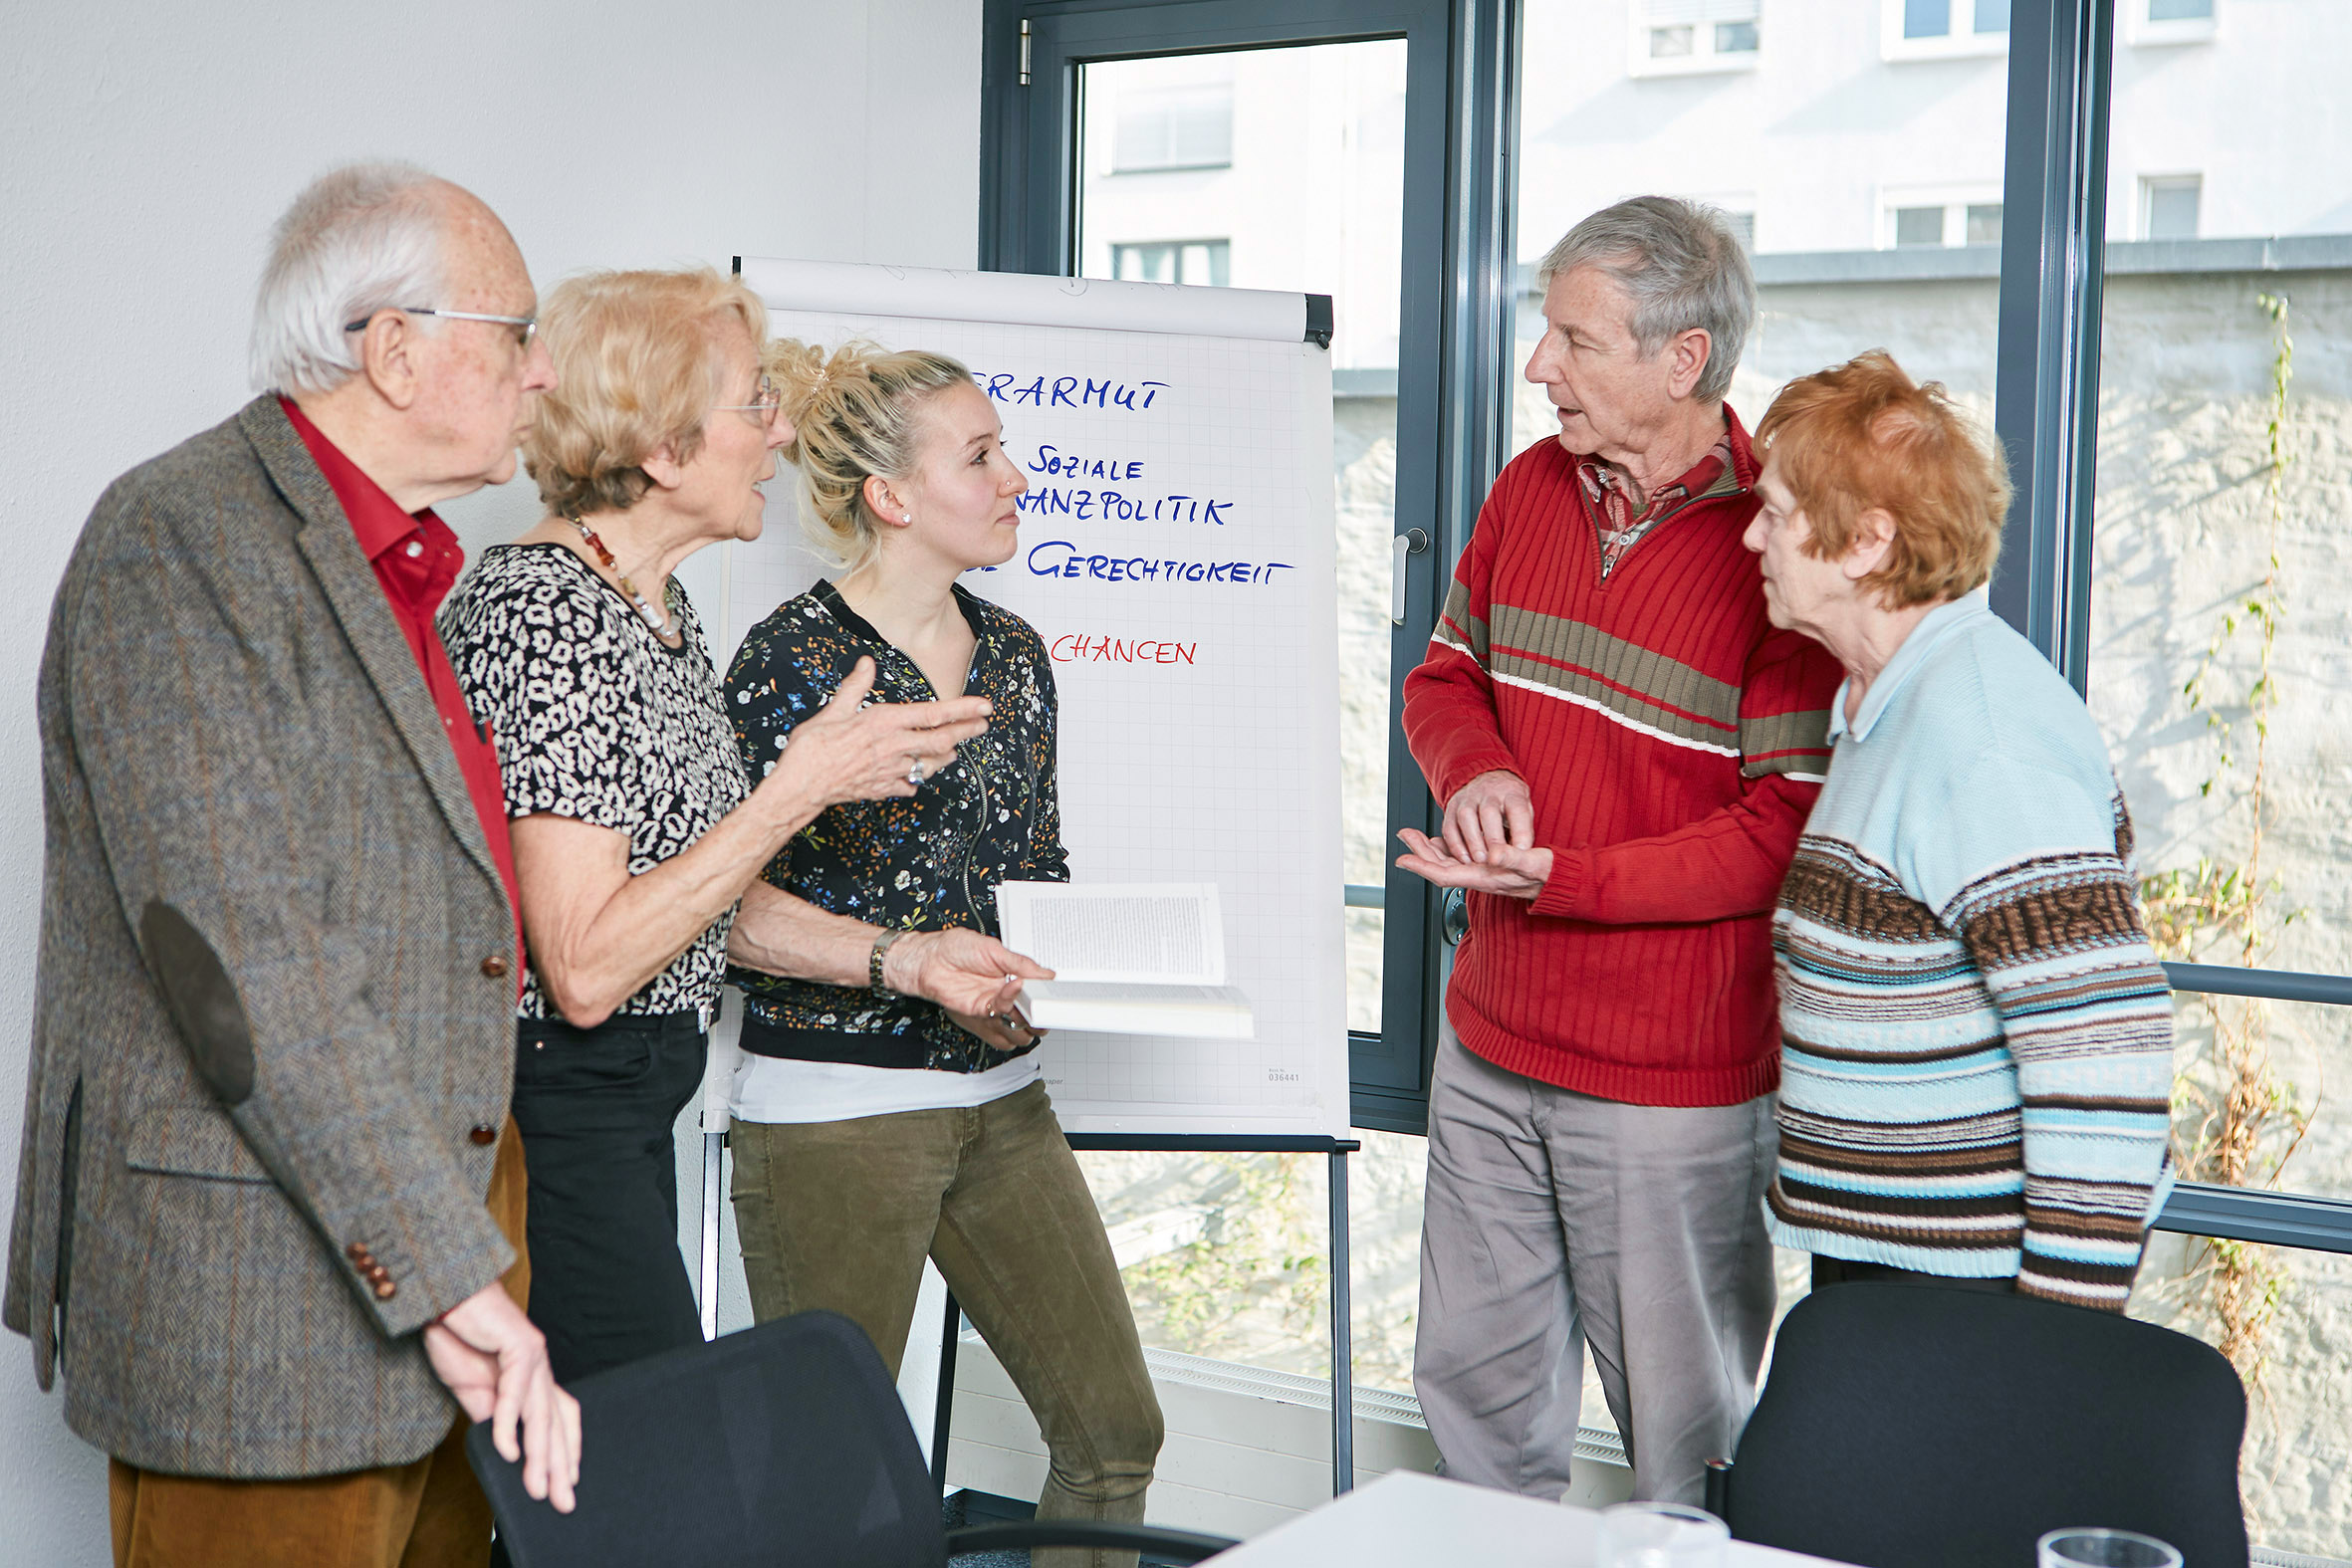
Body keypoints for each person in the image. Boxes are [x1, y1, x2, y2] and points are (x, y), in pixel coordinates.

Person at [4, 161, 580, 1567]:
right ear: (393, 347)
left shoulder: (405, 567)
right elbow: (241, 962)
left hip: (424, 1235)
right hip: (257, 1285)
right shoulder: (181, 540)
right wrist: (453, 1272)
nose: (544, 372)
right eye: (516, 334)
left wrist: (470, 1253)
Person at [437, 272, 991, 1388]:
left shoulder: (657, 605)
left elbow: (692, 890)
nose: (782, 434)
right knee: (636, 1487)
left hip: (632, 1102)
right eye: (754, 406)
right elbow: (585, 968)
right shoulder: (548, 612)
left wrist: (913, 957)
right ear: (662, 449)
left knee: (589, 1485)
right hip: (559, 1107)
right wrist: (798, 790)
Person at [1394, 195, 1842, 1505]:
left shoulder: (1779, 548)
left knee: (1682, 1450)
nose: (1540, 366)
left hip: (1670, 1097)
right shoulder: (1528, 488)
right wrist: (1473, 771)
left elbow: (1773, 836)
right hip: (1487, 1048)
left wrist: (1564, 878)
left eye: (1572, 340)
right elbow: (1446, 674)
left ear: (1681, 358)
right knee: (1474, 1421)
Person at [720, 340, 1164, 1568]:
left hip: (1002, 1102)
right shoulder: (791, 662)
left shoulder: (1017, 653)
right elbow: (724, 906)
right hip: (835, 1115)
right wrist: (909, 962)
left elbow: (1034, 879)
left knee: (1116, 1433)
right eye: (980, 455)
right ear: (892, 497)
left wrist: (1035, 982)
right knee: (833, 1493)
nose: (1016, 476)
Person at [1746, 350, 2175, 1308]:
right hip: (1895, 1270)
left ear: (1867, 541)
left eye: (1775, 513)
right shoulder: (1886, 700)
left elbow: (2105, 1048)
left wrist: (2056, 1342)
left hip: (1966, 1295)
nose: (1750, 537)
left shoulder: (1983, 731)